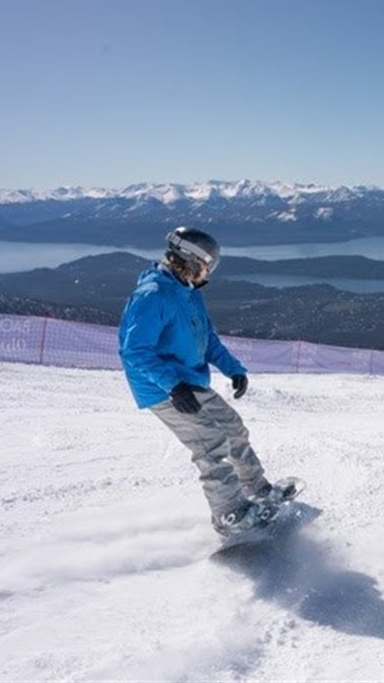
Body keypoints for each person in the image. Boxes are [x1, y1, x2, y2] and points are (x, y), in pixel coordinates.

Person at [118, 227, 290, 538]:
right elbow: (134, 351)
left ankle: (257, 490)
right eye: (207, 265)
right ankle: (229, 513)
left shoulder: (188, 292)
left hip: (188, 380)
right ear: (189, 260)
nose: (209, 272)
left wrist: (233, 369)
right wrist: (173, 385)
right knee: (210, 441)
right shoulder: (152, 296)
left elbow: (207, 339)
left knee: (233, 428)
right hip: (163, 387)